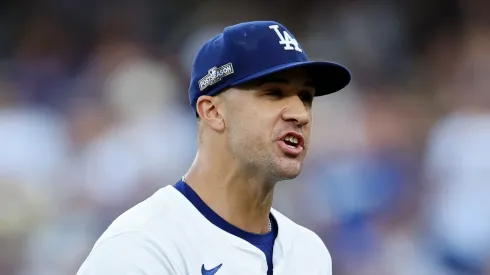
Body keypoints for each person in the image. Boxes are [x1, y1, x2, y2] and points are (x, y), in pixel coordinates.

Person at [76, 20, 351, 275]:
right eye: (273, 93)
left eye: (305, 97)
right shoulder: (140, 247)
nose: (300, 114)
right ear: (213, 112)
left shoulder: (310, 253)